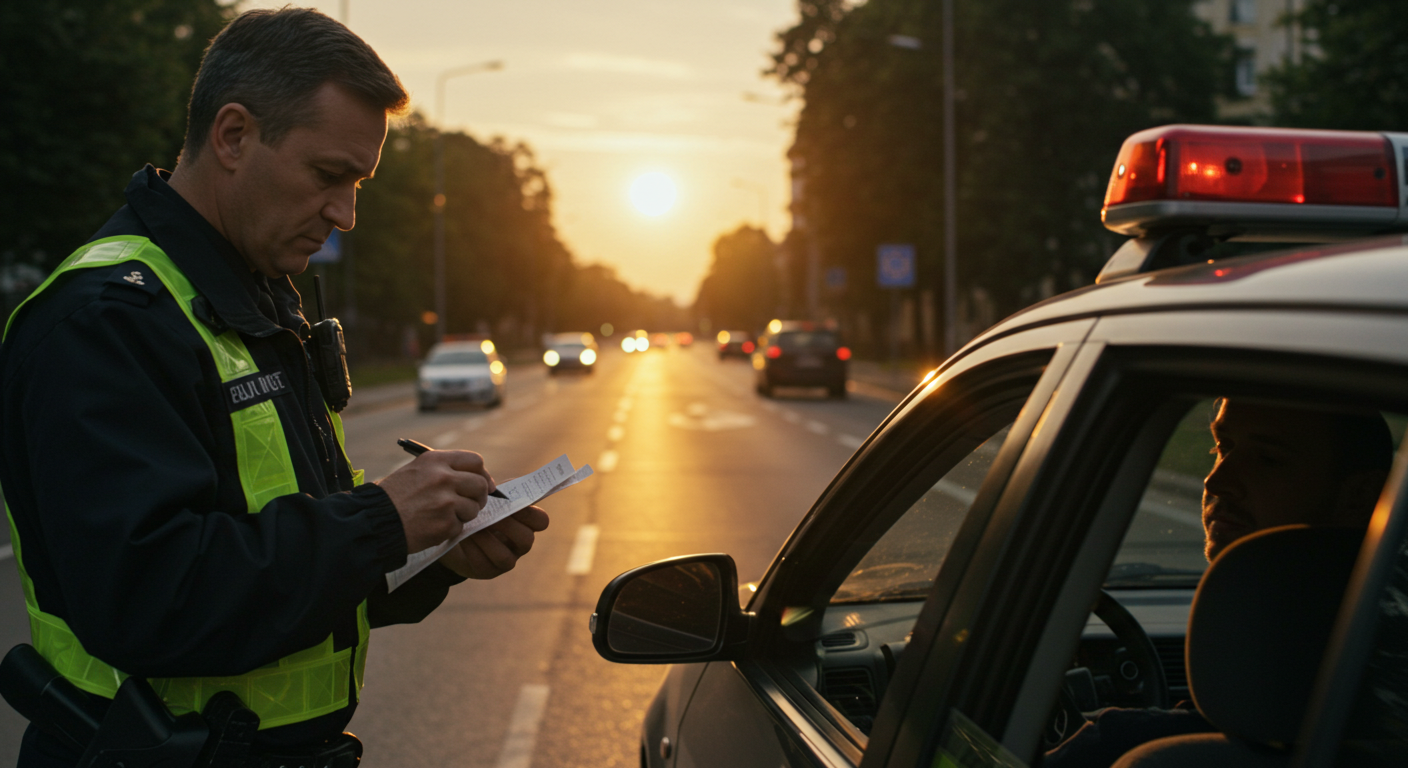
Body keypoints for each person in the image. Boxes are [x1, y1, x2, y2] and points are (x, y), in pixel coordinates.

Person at [0, 8, 548, 766]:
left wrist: (434, 553)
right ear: (232, 136)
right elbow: (150, 597)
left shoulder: (250, 296)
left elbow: (287, 563)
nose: (345, 215)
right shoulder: (105, 319)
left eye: (357, 184)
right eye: (328, 176)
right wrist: (382, 520)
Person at [1044, 398, 1394, 768]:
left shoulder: (1123, 751)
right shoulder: (1387, 706)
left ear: (1358, 496)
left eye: (1268, 460)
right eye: (1221, 447)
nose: (1216, 479)